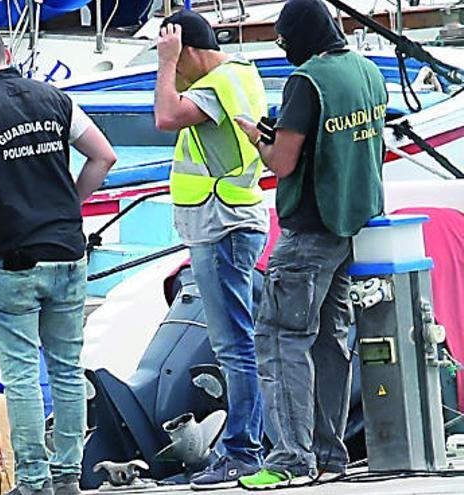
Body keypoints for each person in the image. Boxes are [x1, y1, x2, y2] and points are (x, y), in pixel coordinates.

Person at [0, 22, 117, 495]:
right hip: (67, 252)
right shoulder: (56, 99)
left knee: (21, 373)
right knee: (66, 367)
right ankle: (68, 478)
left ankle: (33, 482)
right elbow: (103, 156)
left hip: (12, 260)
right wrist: (68, 208)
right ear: (6, 52)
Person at [234, 0, 387, 489]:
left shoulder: (307, 81)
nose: (283, 49)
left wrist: (255, 139)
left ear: (299, 34)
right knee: (329, 343)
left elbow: (281, 162)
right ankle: (329, 453)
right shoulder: (366, 71)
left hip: (308, 230)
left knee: (280, 341)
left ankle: (290, 458)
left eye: (283, 40)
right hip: (349, 228)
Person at [153, 10, 269, 490]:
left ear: (191, 53)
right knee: (246, 344)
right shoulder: (240, 72)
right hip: (235, 221)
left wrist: (164, 62)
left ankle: (242, 452)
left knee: (235, 347)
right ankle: (253, 446)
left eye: (179, 65)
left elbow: (165, 116)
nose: (175, 78)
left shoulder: (214, 85)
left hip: (222, 225)